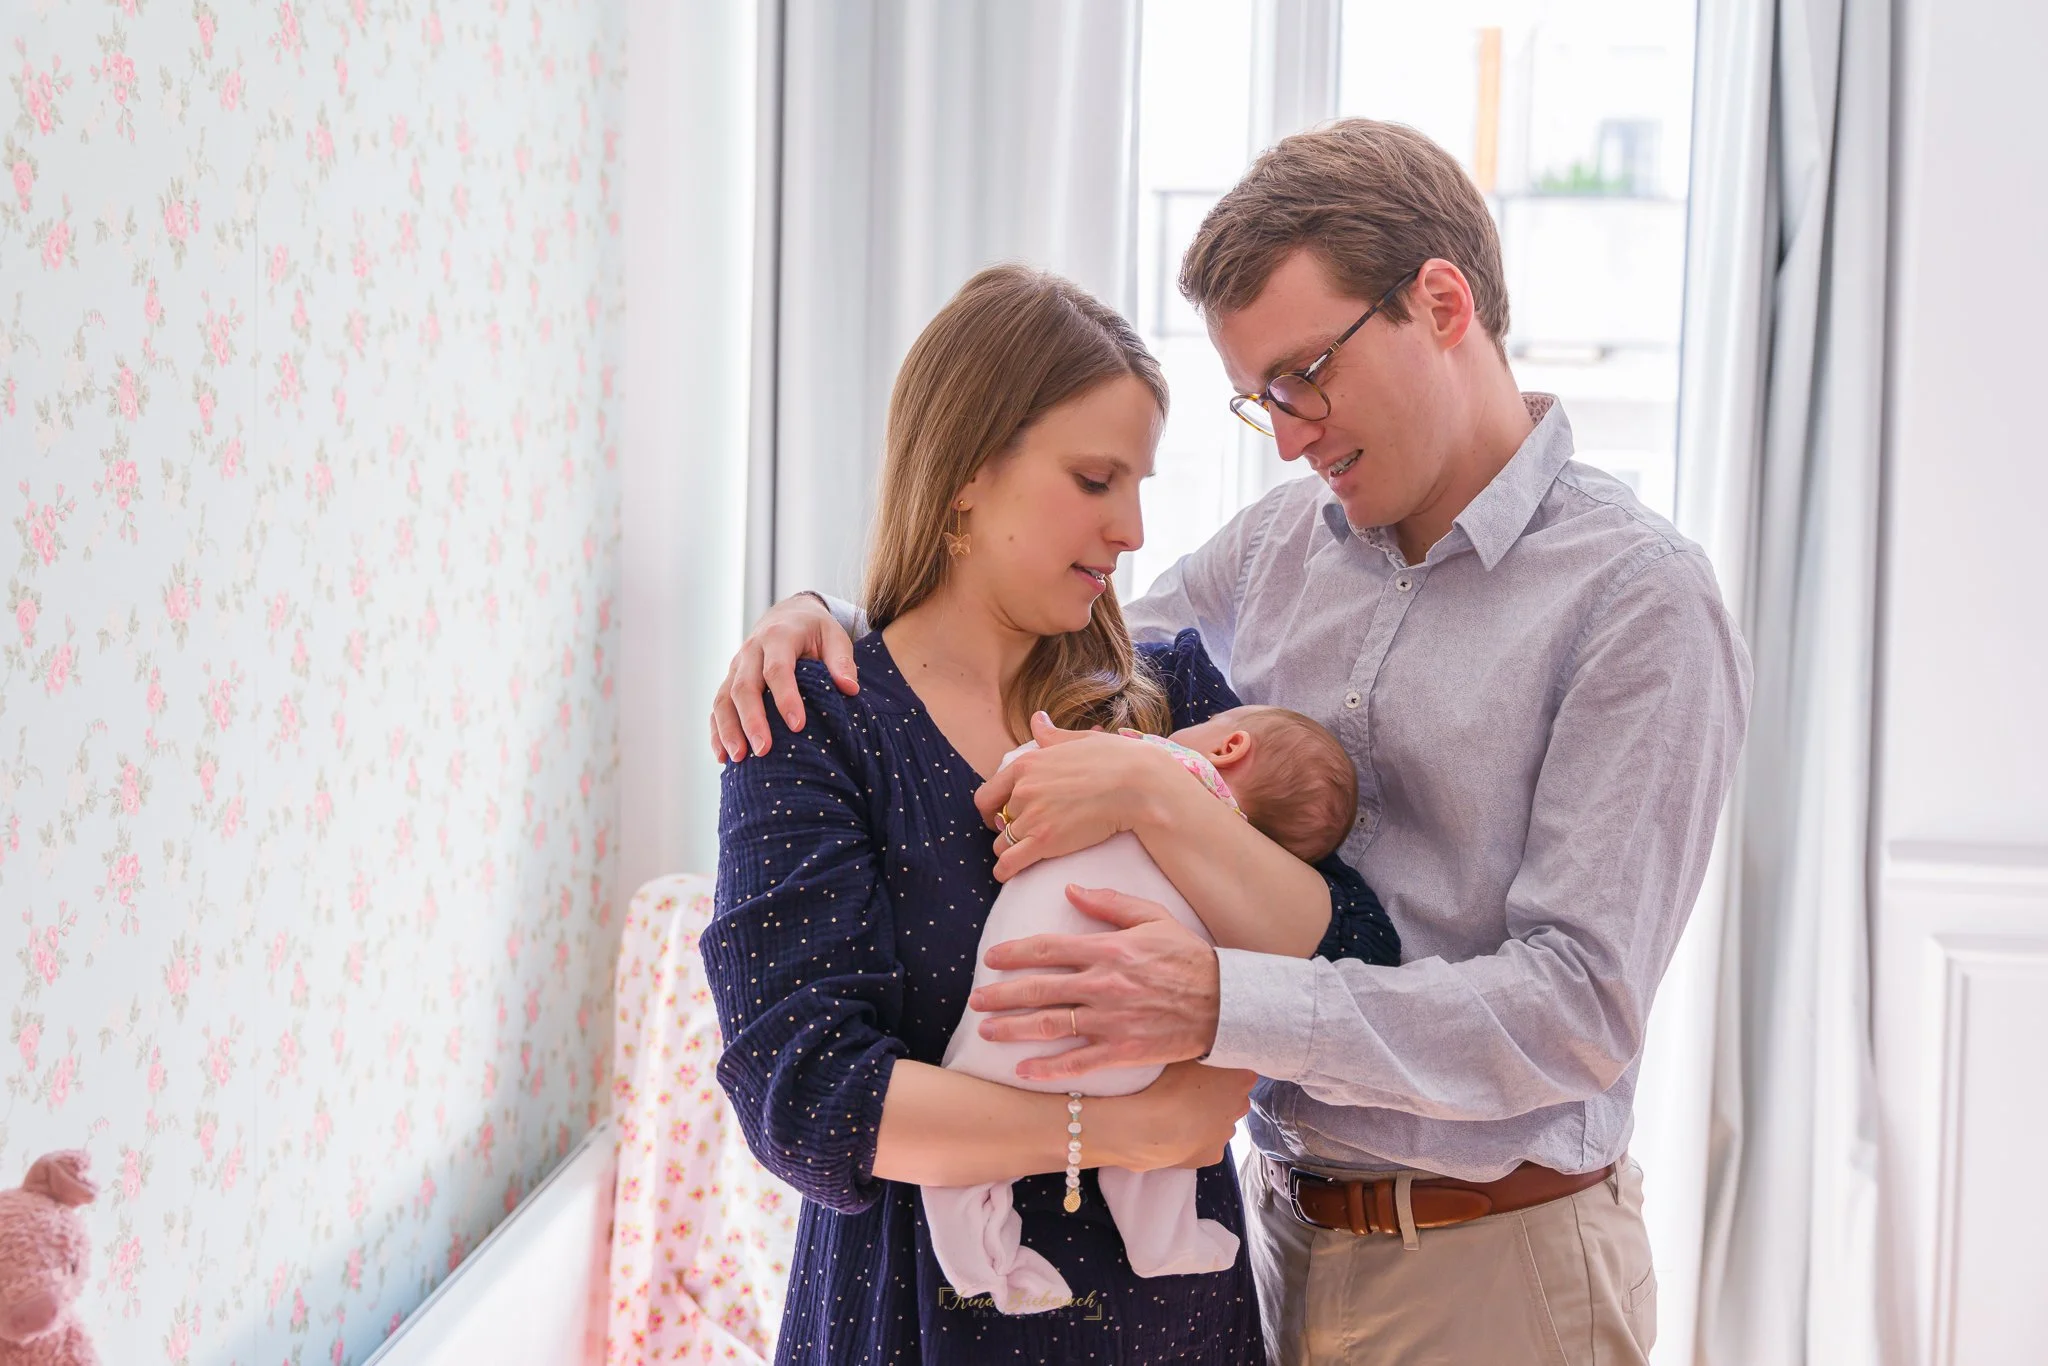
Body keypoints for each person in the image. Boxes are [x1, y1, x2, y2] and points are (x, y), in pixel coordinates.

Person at [710, 120, 1753, 1365]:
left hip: (1490, 1262)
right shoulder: (1278, 551)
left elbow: (1573, 1008)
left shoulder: (1636, 599)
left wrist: (1213, 1006)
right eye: (1263, 399)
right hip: (1270, 1249)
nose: (1295, 431)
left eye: (1304, 373)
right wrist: (814, 617)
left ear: (1439, 302)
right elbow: (1013, 631)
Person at [702, 263, 1400, 1364]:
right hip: (914, 1320)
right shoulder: (817, 726)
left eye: (1138, 486)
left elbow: (1351, 948)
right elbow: (808, 1095)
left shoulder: (1168, 697)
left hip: (1175, 1325)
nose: (1129, 528)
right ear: (968, 473)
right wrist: (1123, 1128)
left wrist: (1146, 795)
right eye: (1092, 478)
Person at [927, 705, 1359, 1315]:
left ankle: (989, 1268)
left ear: (1231, 745)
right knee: (1158, 1165)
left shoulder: (1151, 761)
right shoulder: (1237, 865)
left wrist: (1027, 758)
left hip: (1021, 1011)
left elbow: (1026, 777)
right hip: (1142, 1050)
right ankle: (1165, 1240)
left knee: (961, 1162)